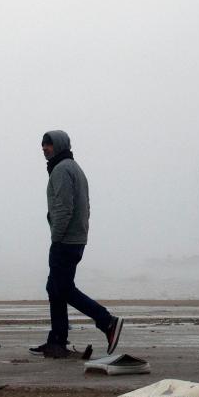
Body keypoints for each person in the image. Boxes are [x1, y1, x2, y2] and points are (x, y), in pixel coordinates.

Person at [30, 130, 123, 358]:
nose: (44, 148)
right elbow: (85, 206)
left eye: (49, 144)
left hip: (65, 240)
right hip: (75, 238)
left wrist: (57, 237)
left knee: (63, 288)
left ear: (60, 145)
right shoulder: (73, 168)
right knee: (55, 287)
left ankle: (107, 321)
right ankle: (57, 341)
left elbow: (64, 208)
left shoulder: (62, 170)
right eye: (43, 145)